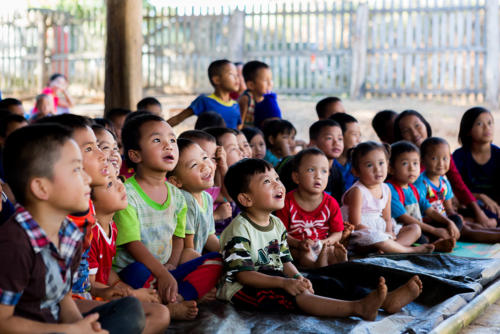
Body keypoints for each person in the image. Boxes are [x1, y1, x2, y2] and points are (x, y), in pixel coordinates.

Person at [219, 158, 422, 319]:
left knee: (325, 282)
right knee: (299, 295)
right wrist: (285, 284)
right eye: (267, 181)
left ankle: (386, 302)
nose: (277, 185)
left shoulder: (276, 224)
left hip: (277, 277)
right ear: (246, 199)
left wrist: (298, 277)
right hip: (245, 289)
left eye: (277, 179)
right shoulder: (239, 230)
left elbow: (285, 260)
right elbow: (243, 275)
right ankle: (357, 308)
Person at [0, 124, 145, 334]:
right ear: (41, 188)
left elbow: (63, 298)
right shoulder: (14, 243)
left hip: (58, 325)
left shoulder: (69, 233)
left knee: (130, 310)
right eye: (76, 170)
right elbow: (3, 321)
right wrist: (69, 331)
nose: (87, 178)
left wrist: (83, 327)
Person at [114, 113, 222, 320]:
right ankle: (173, 302)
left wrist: (171, 265)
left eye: (172, 139)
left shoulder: (178, 197)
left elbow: (178, 238)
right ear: (136, 155)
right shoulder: (127, 195)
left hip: (167, 271)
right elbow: (133, 244)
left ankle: (175, 298)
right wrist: (162, 274)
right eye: (157, 140)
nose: (169, 145)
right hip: (137, 271)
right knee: (135, 271)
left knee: (217, 260)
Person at [37, 114, 110, 300]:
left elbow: (84, 277)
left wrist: (103, 292)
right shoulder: (47, 226)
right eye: (89, 149)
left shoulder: (87, 206)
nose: (103, 155)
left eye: (98, 146)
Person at [89, 173, 171, 334]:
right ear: (90, 200)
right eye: (110, 185)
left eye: (119, 179)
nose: (121, 185)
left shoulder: (112, 227)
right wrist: (131, 294)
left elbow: (105, 270)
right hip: (94, 298)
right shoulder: (91, 235)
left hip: (108, 291)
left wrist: (124, 288)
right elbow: (89, 286)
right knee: (159, 313)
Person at [394, 109, 496, 228]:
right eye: (406, 131)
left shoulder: (441, 151)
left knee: (468, 220)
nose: (414, 132)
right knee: (464, 226)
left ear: (425, 124)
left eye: (417, 125)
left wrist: (479, 214)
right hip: (421, 215)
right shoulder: (407, 167)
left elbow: (458, 184)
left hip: (443, 209)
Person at [416, 137, 500, 243]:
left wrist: (454, 215)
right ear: (422, 161)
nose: (441, 163)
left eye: (445, 158)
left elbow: (448, 208)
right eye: (434, 158)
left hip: (443, 220)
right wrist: (449, 221)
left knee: (467, 223)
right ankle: (497, 237)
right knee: (465, 229)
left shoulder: (444, 183)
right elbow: (427, 211)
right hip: (428, 222)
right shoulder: (421, 183)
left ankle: (495, 231)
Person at [275, 148, 347, 268]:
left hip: (323, 245)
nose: (318, 176)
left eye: (324, 171)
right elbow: (281, 233)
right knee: (302, 254)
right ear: (296, 177)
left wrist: (323, 243)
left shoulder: (331, 203)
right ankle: (318, 268)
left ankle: (332, 264)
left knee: (333, 251)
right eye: (311, 170)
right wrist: (298, 243)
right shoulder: (286, 202)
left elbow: (337, 232)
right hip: (297, 247)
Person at [387, 141, 459, 252]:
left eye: (415, 163)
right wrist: (434, 230)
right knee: (420, 237)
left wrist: (448, 222)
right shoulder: (390, 189)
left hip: (420, 227)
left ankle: (437, 242)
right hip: (402, 231)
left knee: (455, 220)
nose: (412, 168)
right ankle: (432, 244)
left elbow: (430, 210)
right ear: (391, 168)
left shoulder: (413, 189)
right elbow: (404, 218)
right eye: (405, 163)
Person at [167, 139, 221, 262]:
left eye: (205, 157)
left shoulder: (206, 197)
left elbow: (208, 236)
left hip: (196, 253)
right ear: (176, 181)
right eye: (194, 165)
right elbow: (188, 248)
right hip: (182, 258)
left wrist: (226, 251)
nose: (204, 166)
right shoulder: (186, 199)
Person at [453, 107, 500, 224]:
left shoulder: (498, 155)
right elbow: (454, 190)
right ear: (468, 130)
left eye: (490, 123)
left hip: (494, 207)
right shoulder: (459, 156)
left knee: (491, 221)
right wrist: (480, 196)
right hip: (467, 204)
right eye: (479, 123)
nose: (486, 127)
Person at [167, 59, 241, 129]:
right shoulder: (204, 101)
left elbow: (238, 128)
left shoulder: (235, 105)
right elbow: (178, 118)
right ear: (217, 80)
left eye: (237, 75)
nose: (237, 78)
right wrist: (158, 130)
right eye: (231, 74)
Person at [177, 130, 232, 223]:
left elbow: (229, 195)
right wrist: (216, 215)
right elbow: (188, 224)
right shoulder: (177, 196)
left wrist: (223, 165)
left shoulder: (206, 193)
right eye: (195, 162)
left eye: (213, 158)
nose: (207, 164)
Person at [308, 119, 345, 204]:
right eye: (329, 138)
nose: (337, 143)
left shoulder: (336, 172)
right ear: (313, 143)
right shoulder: (303, 168)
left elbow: (339, 203)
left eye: (340, 139)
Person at [239, 60, 281, 128]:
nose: (270, 83)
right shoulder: (246, 99)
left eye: (270, 79)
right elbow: (240, 123)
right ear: (251, 85)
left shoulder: (268, 99)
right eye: (265, 80)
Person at [330, 113, 361, 192]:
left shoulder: (358, 162)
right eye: (354, 135)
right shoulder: (327, 163)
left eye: (359, 135)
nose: (359, 140)